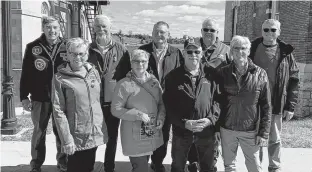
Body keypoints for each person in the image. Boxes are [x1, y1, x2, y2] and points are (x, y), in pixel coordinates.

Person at [215, 35, 272, 172]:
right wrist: (217, 128)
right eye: (236, 48)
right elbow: (216, 103)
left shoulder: (260, 74)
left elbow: (266, 106)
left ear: (248, 51)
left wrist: (263, 133)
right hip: (227, 128)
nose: (239, 52)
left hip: (250, 130)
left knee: (254, 166)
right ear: (231, 51)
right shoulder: (223, 73)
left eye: (243, 48)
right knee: (229, 166)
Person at [249, 19, 300, 172]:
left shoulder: (286, 52)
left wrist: (290, 106)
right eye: (266, 30)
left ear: (279, 31)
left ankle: (274, 167)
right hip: (255, 103)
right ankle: (256, 167)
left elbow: (294, 79)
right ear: (261, 31)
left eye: (273, 30)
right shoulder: (252, 48)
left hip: (276, 102)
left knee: (275, 139)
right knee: (255, 139)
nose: (269, 33)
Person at [52, 37, 108, 172]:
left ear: (87, 54)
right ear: (67, 55)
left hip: (93, 132)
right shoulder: (60, 78)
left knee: (89, 167)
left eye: (81, 53)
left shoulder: (93, 72)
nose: (78, 57)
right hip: (75, 135)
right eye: (73, 53)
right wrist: (66, 139)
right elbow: (58, 111)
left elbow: (96, 101)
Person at [164, 40, 220, 172]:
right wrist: (184, 123)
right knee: (178, 166)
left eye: (197, 52)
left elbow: (218, 101)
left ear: (202, 54)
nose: (193, 54)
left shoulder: (211, 74)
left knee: (208, 167)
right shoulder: (173, 76)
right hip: (182, 132)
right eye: (189, 51)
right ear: (183, 54)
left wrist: (210, 120)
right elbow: (168, 106)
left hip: (206, 131)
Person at [20, 16, 67, 172]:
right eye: (48, 27)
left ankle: (63, 163)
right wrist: (23, 97)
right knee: (38, 133)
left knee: (61, 131)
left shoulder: (67, 46)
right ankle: (36, 164)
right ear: (43, 28)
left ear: (59, 28)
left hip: (62, 98)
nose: (51, 30)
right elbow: (26, 73)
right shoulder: (33, 47)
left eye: (54, 27)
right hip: (40, 97)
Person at [87, 15, 131, 172]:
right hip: (93, 103)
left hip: (113, 102)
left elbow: (128, 77)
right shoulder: (87, 50)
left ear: (110, 28)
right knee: (92, 137)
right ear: (94, 28)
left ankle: (109, 167)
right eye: (98, 26)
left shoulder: (122, 50)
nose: (101, 29)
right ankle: (88, 166)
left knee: (112, 139)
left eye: (104, 26)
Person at [138, 21, 183, 172]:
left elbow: (181, 75)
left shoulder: (176, 53)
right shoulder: (142, 51)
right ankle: (141, 164)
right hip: (146, 101)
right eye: (156, 31)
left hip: (168, 101)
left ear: (168, 35)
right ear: (152, 33)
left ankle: (157, 163)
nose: (159, 35)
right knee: (144, 132)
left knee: (162, 134)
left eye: (163, 32)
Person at [111, 49, 165, 172]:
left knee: (143, 165)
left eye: (143, 61)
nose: (140, 64)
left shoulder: (154, 81)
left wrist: (161, 118)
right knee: (140, 167)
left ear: (147, 63)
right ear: (131, 63)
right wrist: (138, 114)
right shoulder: (123, 84)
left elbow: (161, 103)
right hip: (133, 134)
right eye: (136, 61)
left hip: (151, 131)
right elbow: (115, 109)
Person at [200, 17, 231, 172]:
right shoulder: (192, 47)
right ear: (201, 31)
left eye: (212, 30)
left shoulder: (226, 50)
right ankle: (195, 161)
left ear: (217, 32)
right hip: (198, 98)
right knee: (197, 130)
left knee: (214, 132)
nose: (209, 32)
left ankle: (211, 163)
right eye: (206, 29)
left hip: (218, 97)